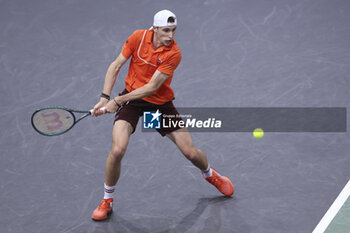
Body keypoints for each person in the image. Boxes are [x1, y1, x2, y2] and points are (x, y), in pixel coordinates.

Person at [90, 9, 234, 221]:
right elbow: (116, 65)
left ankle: (210, 175)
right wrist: (104, 97)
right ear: (155, 28)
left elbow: (151, 87)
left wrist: (115, 102)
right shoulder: (138, 37)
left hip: (158, 106)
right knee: (118, 149)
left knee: (191, 153)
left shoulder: (173, 54)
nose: (171, 35)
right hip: (131, 102)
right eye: (166, 30)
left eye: (174, 30)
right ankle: (107, 199)